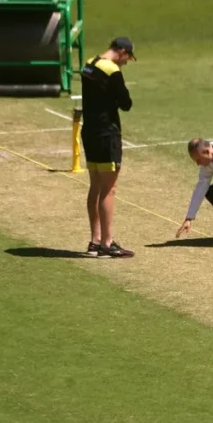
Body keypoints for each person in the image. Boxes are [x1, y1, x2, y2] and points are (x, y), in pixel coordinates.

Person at [81, 36, 136, 258]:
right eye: (127, 58)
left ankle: (95, 240)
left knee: (95, 186)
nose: (125, 63)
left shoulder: (89, 63)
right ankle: (107, 242)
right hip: (107, 134)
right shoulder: (112, 71)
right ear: (121, 51)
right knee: (109, 189)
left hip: (90, 132)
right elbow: (126, 103)